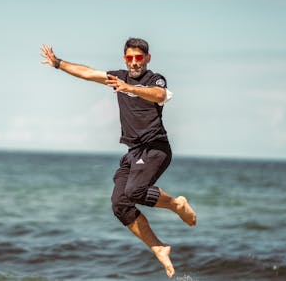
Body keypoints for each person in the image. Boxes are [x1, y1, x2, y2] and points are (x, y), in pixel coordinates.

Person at [40, 38, 196, 278]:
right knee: (120, 205)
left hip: (155, 148)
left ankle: (177, 205)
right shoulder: (117, 77)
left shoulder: (155, 78)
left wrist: (131, 88)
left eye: (139, 57)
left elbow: (158, 94)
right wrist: (58, 63)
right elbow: (88, 73)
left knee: (134, 191)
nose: (134, 63)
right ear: (125, 59)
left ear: (147, 58)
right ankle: (159, 247)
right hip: (133, 152)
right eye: (130, 58)